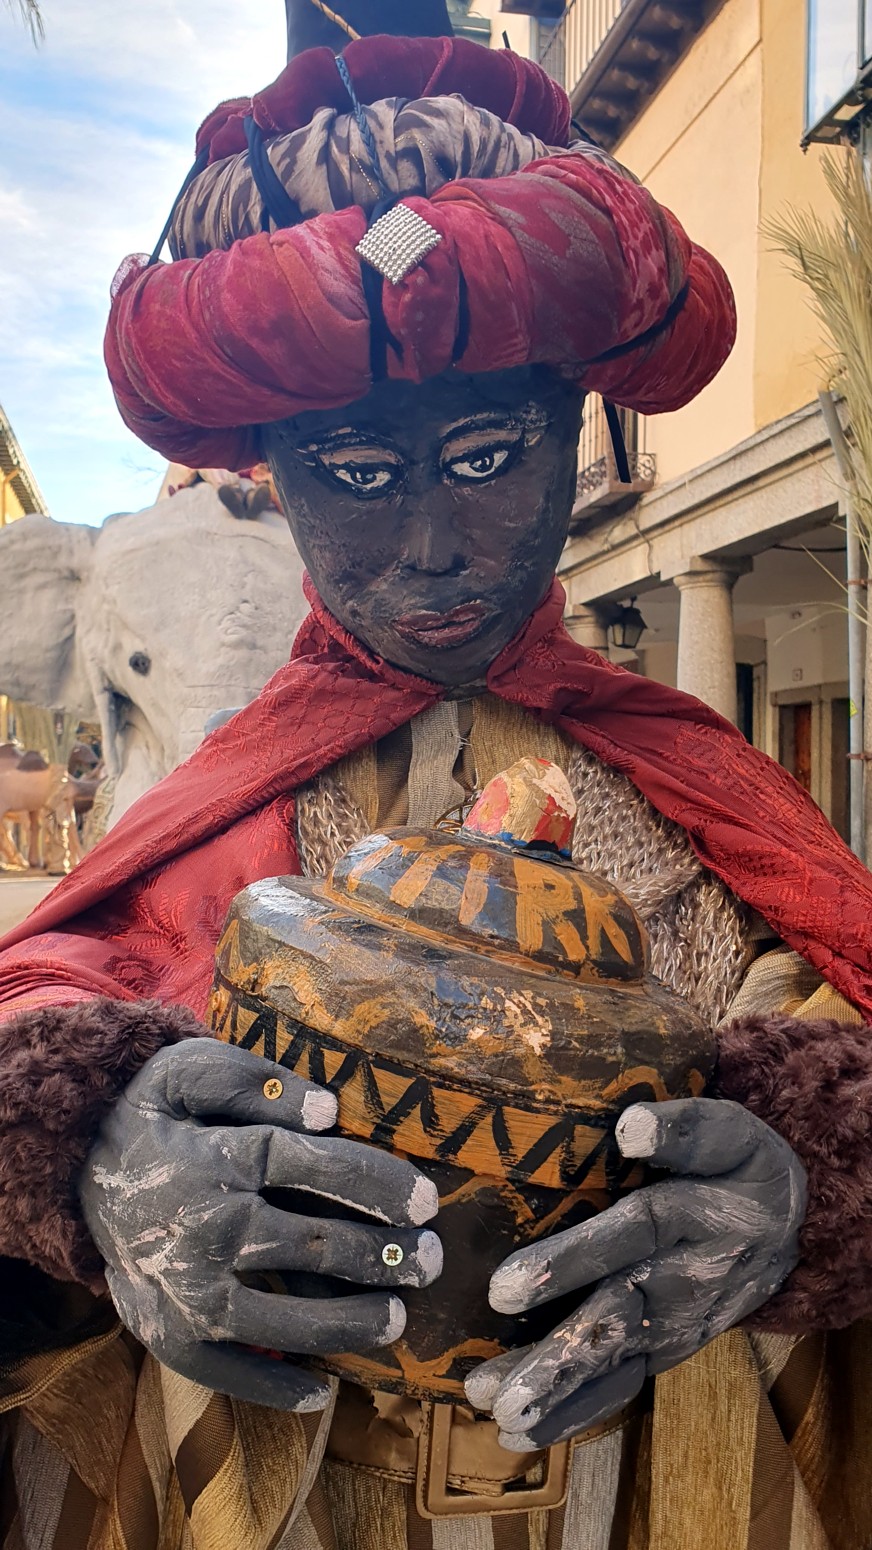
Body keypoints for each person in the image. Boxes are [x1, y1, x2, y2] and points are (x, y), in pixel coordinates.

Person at [1, 6, 872, 1548]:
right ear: (274, 466)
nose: (428, 546)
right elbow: (55, 999)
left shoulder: (704, 788)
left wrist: (815, 1186)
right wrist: (84, 1156)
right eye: (351, 471)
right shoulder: (214, 801)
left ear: (577, 426)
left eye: (484, 458)